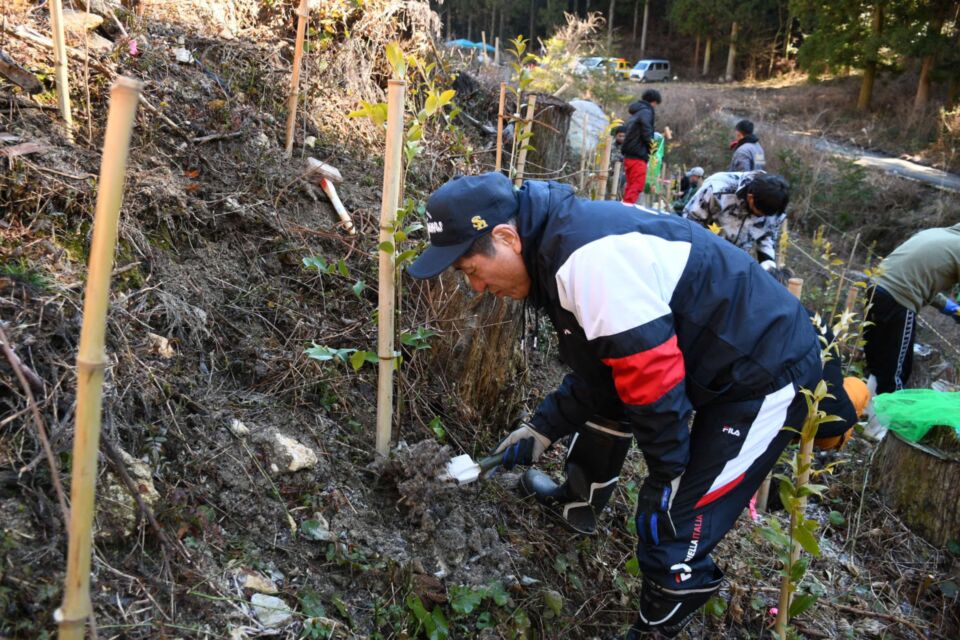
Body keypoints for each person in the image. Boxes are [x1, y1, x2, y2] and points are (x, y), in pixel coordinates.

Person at [407, 172, 822, 639]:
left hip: (764, 371)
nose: (477, 288)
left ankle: (664, 616)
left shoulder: (585, 260)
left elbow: (650, 376)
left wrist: (668, 473)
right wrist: (543, 429)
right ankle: (579, 500)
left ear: (505, 238)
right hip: (712, 358)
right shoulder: (553, 249)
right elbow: (603, 372)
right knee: (616, 409)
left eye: (470, 270)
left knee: (670, 523)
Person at [863, 224, 960, 395]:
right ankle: (890, 421)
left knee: (878, 362)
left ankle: (867, 412)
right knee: (896, 373)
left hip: (875, 289)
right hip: (899, 300)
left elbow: (915, 276)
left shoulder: (937, 233)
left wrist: (947, 306)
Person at [682, 170, 789, 270]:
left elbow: (767, 235)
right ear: (750, 198)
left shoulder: (776, 207)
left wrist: (768, 264)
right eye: (759, 214)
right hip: (705, 251)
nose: (760, 218)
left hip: (737, 261)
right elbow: (691, 220)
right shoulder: (717, 189)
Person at [621, 89, 661, 205]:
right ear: (653, 102)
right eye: (656, 104)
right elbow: (646, 132)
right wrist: (653, 149)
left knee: (630, 185)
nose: (655, 107)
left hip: (629, 154)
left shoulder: (637, 112)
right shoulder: (646, 112)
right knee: (637, 185)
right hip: (638, 155)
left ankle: (625, 206)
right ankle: (627, 210)